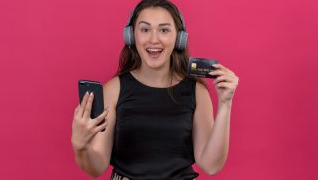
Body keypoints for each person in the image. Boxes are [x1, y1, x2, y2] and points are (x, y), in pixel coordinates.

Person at [71, 0, 239, 179]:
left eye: (164, 30)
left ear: (179, 38)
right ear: (131, 36)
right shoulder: (113, 89)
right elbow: (96, 168)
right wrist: (81, 145)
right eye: (145, 30)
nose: (154, 39)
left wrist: (225, 104)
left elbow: (211, 165)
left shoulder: (197, 91)